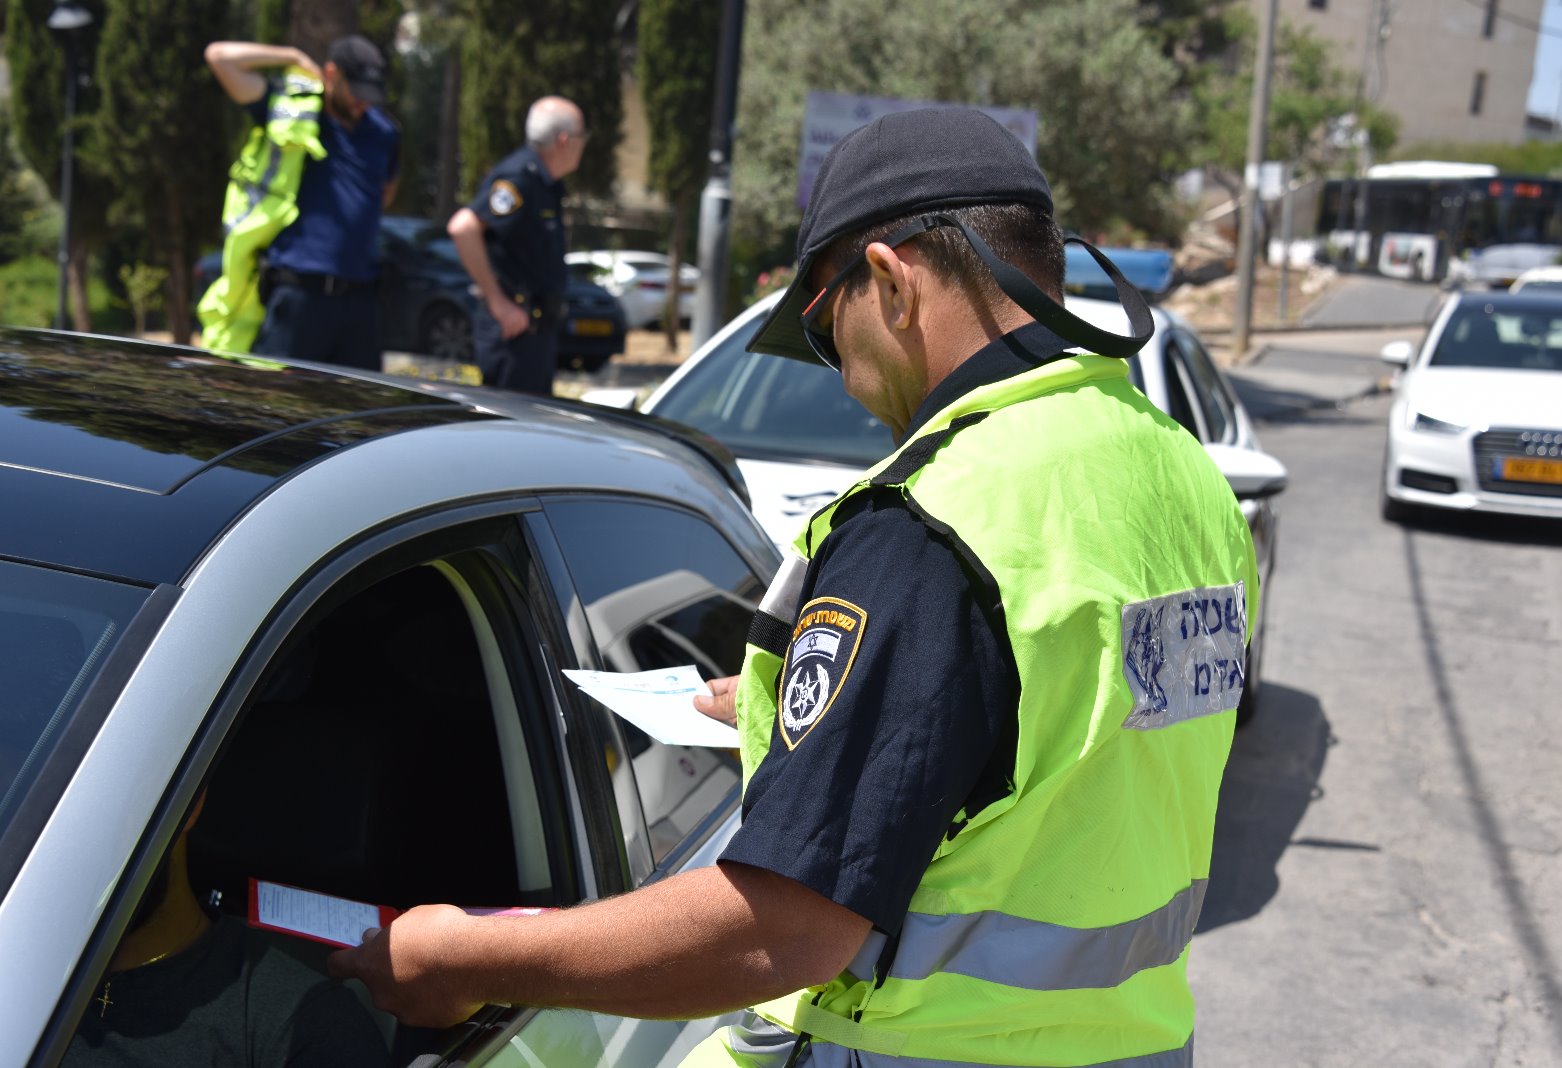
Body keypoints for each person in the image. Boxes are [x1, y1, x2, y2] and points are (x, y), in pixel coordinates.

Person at [330, 107, 1258, 1068]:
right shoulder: (1183, 478)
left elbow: (780, 931)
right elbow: (1071, 740)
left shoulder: (933, 525)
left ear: (892, 283)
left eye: (825, 331)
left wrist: (465, 957)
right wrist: (828, 711)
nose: (846, 379)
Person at [65, 793, 389, 1066]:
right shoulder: (18, 973)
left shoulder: (305, 1025)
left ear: (187, 803)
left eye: (95, 800)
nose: (59, 836)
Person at [205, 35, 400, 370]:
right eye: (355, 92)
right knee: (277, 405)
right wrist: (291, 55)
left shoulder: (384, 132)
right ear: (331, 74)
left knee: (361, 416)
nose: (363, 104)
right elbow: (219, 57)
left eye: (370, 95)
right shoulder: (292, 109)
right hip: (299, 295)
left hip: (361, 301)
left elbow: (386, 192)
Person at [448, 96, 588, 395]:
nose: (584, 144)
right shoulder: (519, 178)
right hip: (513, 337)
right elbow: (463, 228)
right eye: (581, 136)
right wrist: (499, 303)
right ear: (564, 140)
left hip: (536, 334)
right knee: (506, 435)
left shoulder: (547, 182)